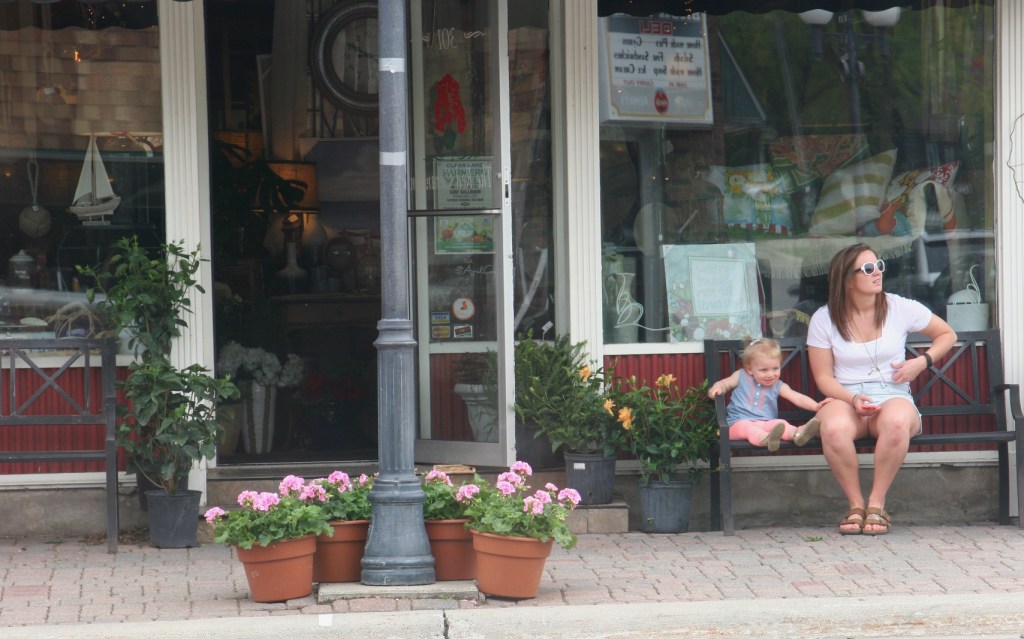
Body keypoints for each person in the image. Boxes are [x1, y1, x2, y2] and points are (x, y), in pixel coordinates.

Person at [807, 243, 956, 536]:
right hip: (845, 395)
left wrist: (920, 363)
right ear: (847, 279)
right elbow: (824, 378)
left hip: (893, 393)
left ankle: (877, 503)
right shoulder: (824, 319)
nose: (877, 273)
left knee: (897, 421)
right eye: (867, 268)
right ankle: (855, 505)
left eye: (879, 265)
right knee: (833, 427)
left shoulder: (900, 307)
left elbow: (947, 334)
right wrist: (852, 398)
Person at [709, 337, 833, 451]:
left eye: (775, 368)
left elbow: (798, 398)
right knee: (750, 428)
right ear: (749, 369)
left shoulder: (778, 385)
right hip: (736, 424)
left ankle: (798, 434)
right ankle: (766, 439)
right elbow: (724, 384)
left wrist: (816, 406)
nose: (770, 374)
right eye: (764, 370)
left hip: (766, 422)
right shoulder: (740, 376)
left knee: (781, 424)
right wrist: (717, 388)